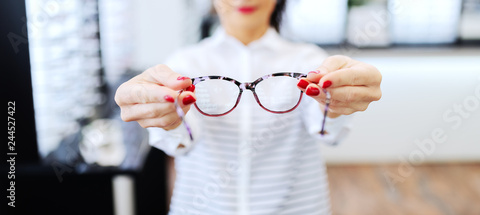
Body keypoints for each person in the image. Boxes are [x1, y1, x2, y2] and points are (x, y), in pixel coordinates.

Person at [115, 0, 382, 214]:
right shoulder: (184, 64)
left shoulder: (309, 61)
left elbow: (327, 132)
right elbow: (181, 142)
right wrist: (167, 118)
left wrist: (335, 104)